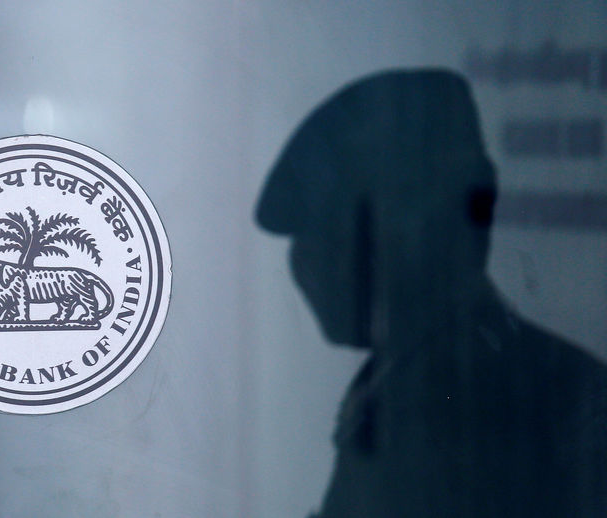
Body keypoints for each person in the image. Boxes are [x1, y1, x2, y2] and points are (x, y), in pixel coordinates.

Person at [256, 69, 607, 517]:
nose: (306, 266)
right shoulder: (412, 384)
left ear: (415, 224)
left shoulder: (450, 409)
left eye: (326, 233)